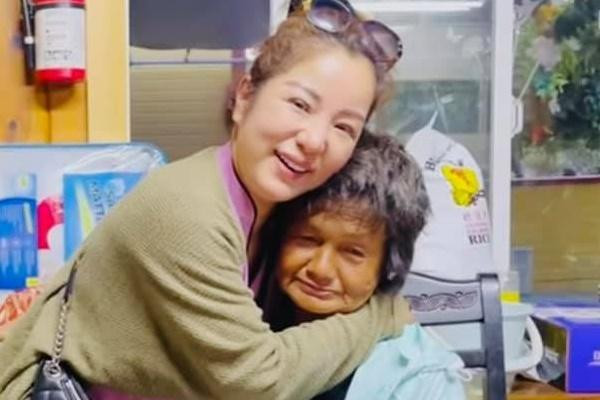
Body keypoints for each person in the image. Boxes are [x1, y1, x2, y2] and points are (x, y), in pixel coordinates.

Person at [0, 1, 412, 399]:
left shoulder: (278, 211)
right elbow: (258, 381)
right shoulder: (187, 209)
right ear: (245, 96)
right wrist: (379, 315)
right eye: (300, 104)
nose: (315, 140)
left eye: (344, 127)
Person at [256, 132, 431, 399]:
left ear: (389, 264)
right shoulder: (244, 322)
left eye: (352, 252)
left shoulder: (418, 378)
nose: (321, 269)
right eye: (307, 240)